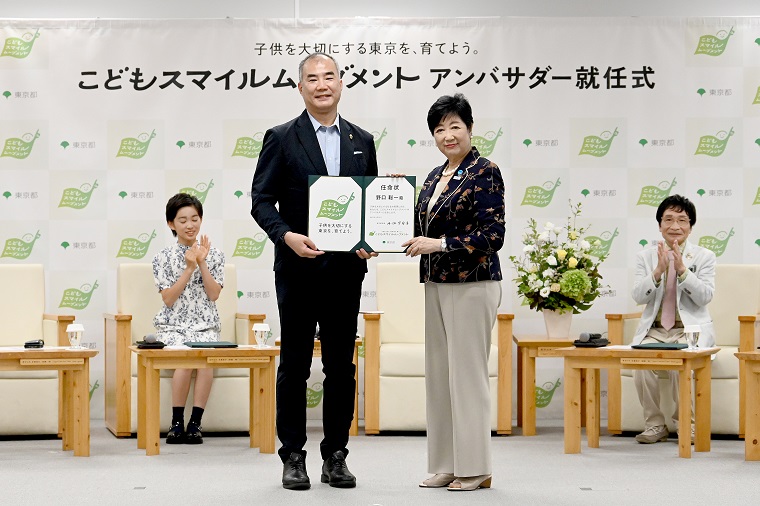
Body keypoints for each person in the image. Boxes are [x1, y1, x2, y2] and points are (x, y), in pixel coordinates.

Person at [250, 52, 378, 490]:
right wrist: (287, 236)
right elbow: (261, 202)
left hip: (346, 274)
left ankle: (336, 455)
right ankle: (293, 455)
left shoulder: (363, 139)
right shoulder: (281, 137)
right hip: (298, 271)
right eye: (312, 78)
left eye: (330, 77)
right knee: (296, 366)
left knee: (342, 367)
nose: (322, 85)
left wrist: (370, 239)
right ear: (300, 87)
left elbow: (369, 206)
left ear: (341, 83)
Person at [402, 93, 505, 492]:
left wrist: (441, 244)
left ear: (470, 128)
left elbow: (493, 235)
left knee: (467, 377)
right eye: (439, 128)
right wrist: (388, 200)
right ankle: (447, 462)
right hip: (436, 283)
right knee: (441, 378)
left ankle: (476, 467)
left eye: (454, 126)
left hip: (472, 283)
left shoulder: (485, 171)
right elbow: (414, 228)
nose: (447, 135)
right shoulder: (432, 176)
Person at [631, 194, 715, 444]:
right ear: (659, 225)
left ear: (691, 226)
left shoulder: (704, 257)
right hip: (655, 330)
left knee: (683, 363)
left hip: (689, 330)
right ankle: (655, 425)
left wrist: (682, 271)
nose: (675, 226)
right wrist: (657, 271)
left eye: (682, 220)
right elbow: (638, 295)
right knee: (641, 364)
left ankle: (685, 425)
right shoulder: (645, 257)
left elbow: (705, 297)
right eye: (668, 219)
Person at [152, 193, 224, 445]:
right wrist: (189, 268)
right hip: (172, 325)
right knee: (185, 357)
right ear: (171, 224)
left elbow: (214, 295)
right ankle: (176, 422)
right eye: (182, 220)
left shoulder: (215, 255)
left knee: (204, 359)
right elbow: (169, 299)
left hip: (205, 324)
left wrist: (203, 263)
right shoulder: (162, 258)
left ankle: (195, 423)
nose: (190, 225)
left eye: (194, 218)